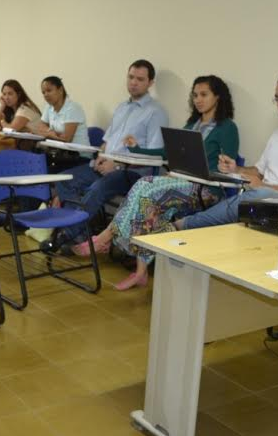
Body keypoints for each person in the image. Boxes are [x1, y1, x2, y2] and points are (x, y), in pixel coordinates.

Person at [86, 75, 240, 291]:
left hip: (208, 190)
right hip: (182, 184)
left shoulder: (227, 128)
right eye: (195, 95)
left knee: (145, 186)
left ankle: (107, 236)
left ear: (218, 97)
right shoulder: (192, 125)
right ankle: (140, 271)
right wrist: (137, 148)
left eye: (204, 95)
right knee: (148, 203)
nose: (198, 100)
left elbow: (228, 166)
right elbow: (166, 153)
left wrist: (223, 167)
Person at [175, 70, 278, 231]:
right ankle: (182, 227)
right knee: (256, 196)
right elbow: (258, 171)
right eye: (277, 98)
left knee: (259, 194)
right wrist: (236, 169)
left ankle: (183, 225)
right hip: (261, 201)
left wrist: (265, 186)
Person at [53, 60, 169, 246]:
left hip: (132, 173)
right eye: (131, 77)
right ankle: (79, 234)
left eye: (140, 79)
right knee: (64, 179)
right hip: (106, 165)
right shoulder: (122, 107)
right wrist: (101, 156)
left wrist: (117, 165)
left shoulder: (155, 112)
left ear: (150, 83)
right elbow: (107, 141)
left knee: (97, 188)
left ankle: (66, 235)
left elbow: (154, 157)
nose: (134, 82)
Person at [31, 75, 91, 172]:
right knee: (35, 164)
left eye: (49, 90)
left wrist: (49, 134)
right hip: (59, 155)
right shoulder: (49, 107)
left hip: (79, 157)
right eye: (43, 92)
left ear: (60, 90)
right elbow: (40, 126)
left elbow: (66, 138)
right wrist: (51, 133)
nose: (46, 95)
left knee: (43, 170)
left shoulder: (73, 108)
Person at [0, 79, 42, 150]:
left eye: (10, 94)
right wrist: (2, 106)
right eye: (4, 94)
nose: (6, 97)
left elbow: (11, 129)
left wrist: (2, 121)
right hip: (17, 145)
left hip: (33, 148)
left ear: (19, 94)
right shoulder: (9, 108)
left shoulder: (25, 108)